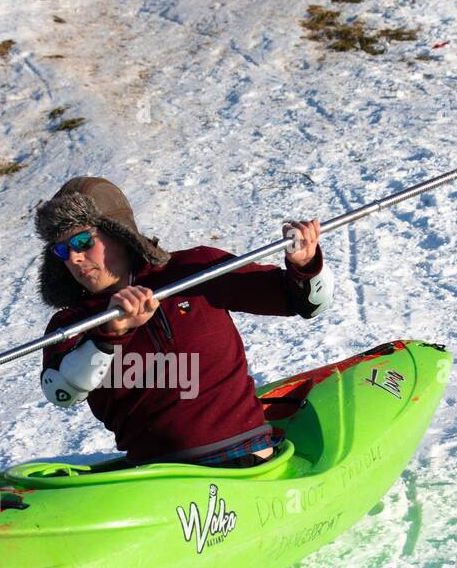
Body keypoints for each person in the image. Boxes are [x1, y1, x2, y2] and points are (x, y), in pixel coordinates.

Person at [36, 176, 332, 468]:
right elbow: (62, 392)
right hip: (155, 478)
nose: (74, 258)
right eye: (61, 250)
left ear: (119, 233)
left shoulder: (193, 269)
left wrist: (304, 264)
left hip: (244, 461)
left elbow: (304, 303)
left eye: (83, 241)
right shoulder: (72, 322)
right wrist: (111, 333)